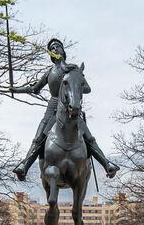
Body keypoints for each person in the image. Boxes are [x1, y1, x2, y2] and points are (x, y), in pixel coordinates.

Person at [13, 37, 119, 180]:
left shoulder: (73, 69)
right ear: (51, 54)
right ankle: (24, 166)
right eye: (52, 48)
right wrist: (16, 89)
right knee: (38, 138)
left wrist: (76, 85)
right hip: (52, 107)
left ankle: (107, 165)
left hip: (71, 108)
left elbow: (87, 88)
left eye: (58, 46)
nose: (56, 49)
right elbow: (34, 89)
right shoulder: (49, 72)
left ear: (63, 50)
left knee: (89, 137)